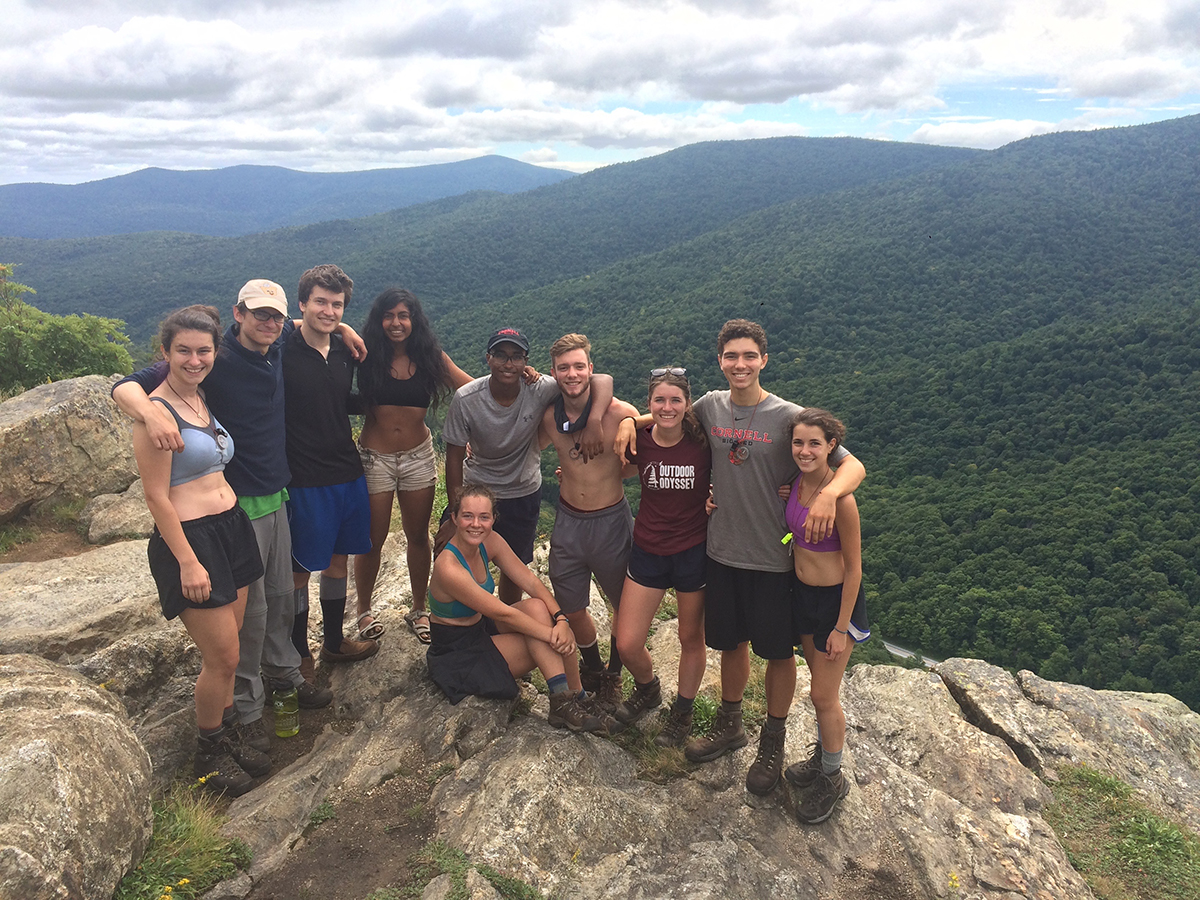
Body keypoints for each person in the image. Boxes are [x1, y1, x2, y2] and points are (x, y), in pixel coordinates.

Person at [616, 319, 865, 797]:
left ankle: (772, 740)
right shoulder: (709, 406)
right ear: (720, 361)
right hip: (720, 552)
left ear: (764, 360)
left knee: (776, 653)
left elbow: (850, 462)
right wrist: (630, 420)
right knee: (730, 644)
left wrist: (830, 494)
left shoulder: (789, 417)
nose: (740, 365)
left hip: (772, 558)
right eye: (731, 356)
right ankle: (731, 724)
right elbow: (665, 416)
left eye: (749, 356)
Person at [113, 279, 350, 757]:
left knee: (282, 599)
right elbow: (130, 383)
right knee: (248, 621)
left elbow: (308, 321)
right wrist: (148, 412)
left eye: (275, 316)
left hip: (274, 497)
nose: (267, 323)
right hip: (232, 509)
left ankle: (284, 680)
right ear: (237, 314)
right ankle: (245, 710)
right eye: (256, 313)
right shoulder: (215, 360)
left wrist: (340, 328)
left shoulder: (277, 342)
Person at [132, 305, 266, 796]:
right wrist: (188, 560)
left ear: (215, 352)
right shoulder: (156, 414)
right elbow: (155, 496)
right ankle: (208, 757)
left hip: (231, 528)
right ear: (164, 353)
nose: (194, 359)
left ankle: (226, 737)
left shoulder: (201, 399)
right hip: (193, 540)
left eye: (203, 350)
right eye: (183, 351)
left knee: (231, 648)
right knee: (223, 656)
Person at [439, 328, 613, 608]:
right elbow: (453, 458)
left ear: (526, 362)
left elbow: (601, 380)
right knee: (461, 559)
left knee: (514, 567)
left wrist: (594, 421)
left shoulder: (541, 387)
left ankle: (507, 621)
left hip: (522, 491)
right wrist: (453, 514)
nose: (509, 364)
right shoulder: (467, 398)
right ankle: (467, 622)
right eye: (501, 356)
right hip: (478, 490)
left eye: (517, 357)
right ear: (488, 358)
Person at [426, 485, 605, 733]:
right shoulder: (448, 567)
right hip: (458, 651)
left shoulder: (490, 542)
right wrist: (554, 634)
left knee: (537, 607)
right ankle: (561, 703)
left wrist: (561, 619)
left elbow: (530, 582)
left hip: (481, 628)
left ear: (493, 520)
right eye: (467, 516)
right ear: (454, 518)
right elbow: (502, 612)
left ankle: (577, 696)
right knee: (542, 643)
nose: (475, 524)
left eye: (484, 517)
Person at [353, 288, 474, 645]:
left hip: (418, 456)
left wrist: (523, 380)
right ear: (379, 320)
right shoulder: (364, 354)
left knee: (418, 536)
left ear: (414, 320)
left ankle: (419, 608)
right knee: (371, 539)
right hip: (375, 457)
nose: (395, 323)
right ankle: (363, 610)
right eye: (388, 315)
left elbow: (471, 389)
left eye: (403, 315)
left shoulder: (430, 357)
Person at [611, 368, 710, 746]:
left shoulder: (703, 442)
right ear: (649, 403)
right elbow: (615, 472)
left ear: (688, 404)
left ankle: (682, 713)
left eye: (675, 400)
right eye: (659, 400)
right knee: (627, 643)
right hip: (649, 548)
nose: (667, 407)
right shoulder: (639, 440)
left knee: (690, 637)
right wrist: (628, 422)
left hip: (693, 551)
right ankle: (648, 689)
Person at [539, 334, 639, 708]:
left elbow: (647, 457)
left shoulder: (621, 414)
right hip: (568, 521)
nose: (572, 374)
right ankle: (593, 666)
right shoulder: (551, 417)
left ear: (591, 370)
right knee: (572, 605)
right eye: (564, 368)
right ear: (553, 373)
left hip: (611, 520)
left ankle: (614, 674)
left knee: (621, 604)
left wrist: (613, 472)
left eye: (579, 366)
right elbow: (525, 440)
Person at [284, 264, 377, 667]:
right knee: (300, 570)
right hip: (304, 477)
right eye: (320, 302)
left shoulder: (344, 353)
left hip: (347, 470)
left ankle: (335, 641)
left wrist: (343, 332)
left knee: (339, 561)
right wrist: (342, 327)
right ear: (302, 303)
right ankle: (298, 651)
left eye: (337, 305)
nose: (328, 311)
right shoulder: (281, 348)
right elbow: (257, 327)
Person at [780, 407, 869, 823]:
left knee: (822, 695)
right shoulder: (795, 486)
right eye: (798, 442)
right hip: (802, 598)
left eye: (814, 443)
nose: (804, 450)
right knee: (819, 689)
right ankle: (823, 760)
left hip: (835, 604)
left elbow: (854, 570)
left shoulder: (842, 501)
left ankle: (832, 777)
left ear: (832, 446)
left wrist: (840, 627)